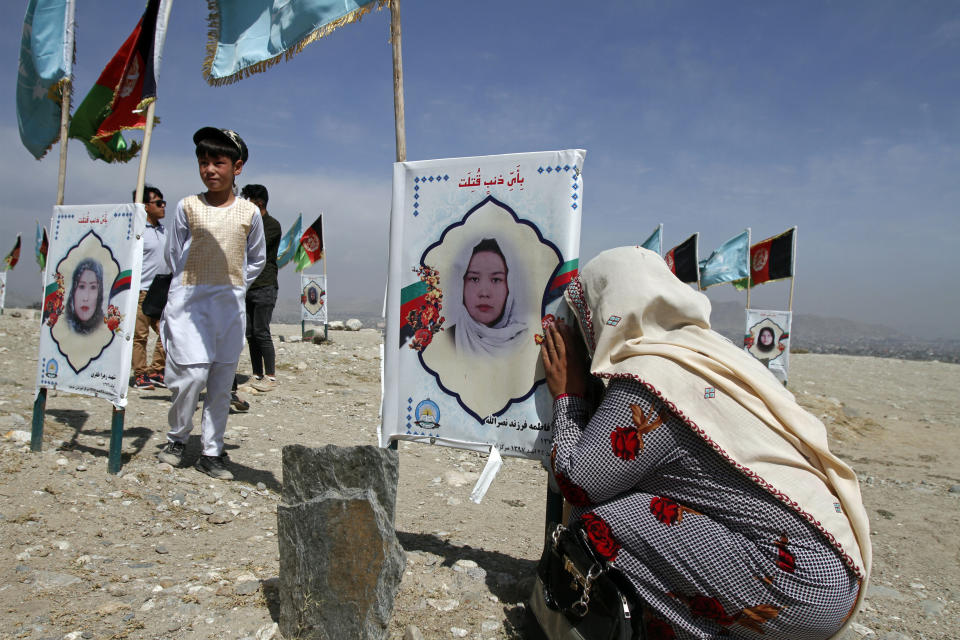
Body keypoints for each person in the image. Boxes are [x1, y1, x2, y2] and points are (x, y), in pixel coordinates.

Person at [539, 246, 871, 639]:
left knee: (597, 523)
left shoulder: (651, 377)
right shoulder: (706, 355)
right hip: (838, 575)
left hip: (797, 590)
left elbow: (580, 481)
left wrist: (570, 393)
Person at [157, 127, 266, 480]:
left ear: (238, 167)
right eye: (204, 162)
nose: (210, 170)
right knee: (190, 375)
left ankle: (212, 451)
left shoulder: (250, 213)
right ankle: (176, 437)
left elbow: (256, 259)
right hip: (190, 301)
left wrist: (233, 285)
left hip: (229, 304)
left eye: (218, 162)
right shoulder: (187, 207)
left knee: (221, 382)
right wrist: (191, 285)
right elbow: (173, 254)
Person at [449, 238, 527, 357]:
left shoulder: (528, 342)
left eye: (496, 280)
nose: (484, 293)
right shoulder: (444, 341)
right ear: (461, 285)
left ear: (510, 287)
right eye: (474, 279)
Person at [239, 184, 281, 392]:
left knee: (261, 331)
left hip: (264, 284)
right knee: (250, 332)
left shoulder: (271, 225)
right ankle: (257, 373)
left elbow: (253, 245)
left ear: (259, 203)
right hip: (246, 284)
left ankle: (270, 376)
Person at [131, 185, 169, 390]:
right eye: (158, 203)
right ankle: (140, 374)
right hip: (141, 290)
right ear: (145, 206)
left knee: (167, 332)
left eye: (164, 202)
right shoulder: (137, 232)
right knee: (140, 335)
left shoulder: (164, 230)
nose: (163, 207)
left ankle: (156, 370)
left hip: (161, 290)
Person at [65, 258, 104, 334]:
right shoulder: (62, 324)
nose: (86, 298)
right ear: (73, 290)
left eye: (93, 287)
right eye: (81, 286)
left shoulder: (106, 327)